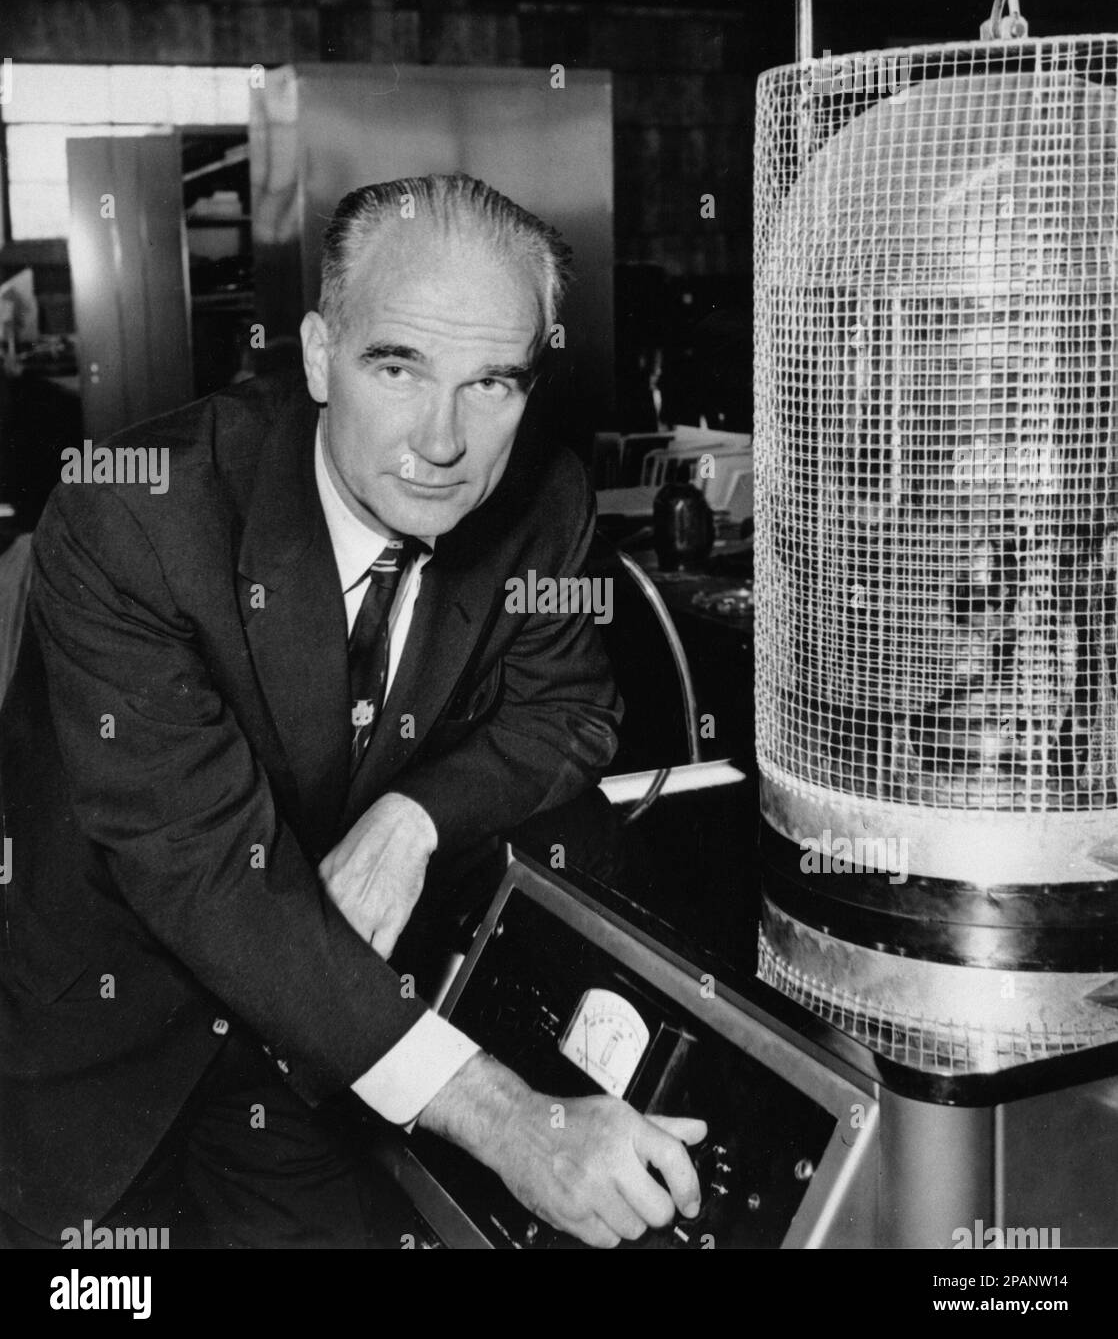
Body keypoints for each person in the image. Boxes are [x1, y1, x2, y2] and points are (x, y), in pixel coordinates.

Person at [0, 174, 705, 1250]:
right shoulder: (131, 520)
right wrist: (511, 1121)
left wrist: (413, 818)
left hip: (322, 1044)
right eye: (398, 366)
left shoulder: (541, 503)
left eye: (493, 383)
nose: (443, 440)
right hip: (103, 1046)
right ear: (321, 353)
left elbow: (567, 710)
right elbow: (202, 876)